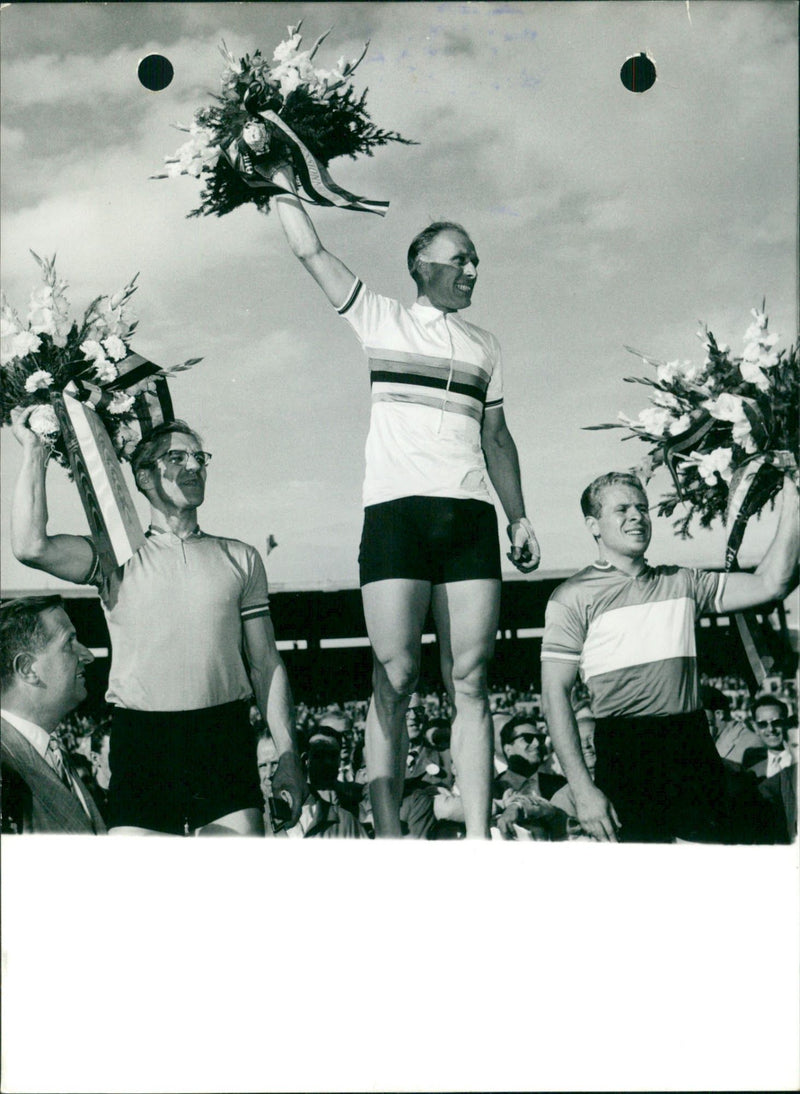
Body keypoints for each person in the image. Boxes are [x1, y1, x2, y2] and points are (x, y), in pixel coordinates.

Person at [270, 164, 541, 837]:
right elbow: (311, 252)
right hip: (395, 515)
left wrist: (519, 516)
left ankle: (478, 835)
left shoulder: (487, 346)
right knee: (395, 673)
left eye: (477, 260)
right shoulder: (381, 318)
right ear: (421, 263)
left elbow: (497, 436)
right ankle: (388, 832)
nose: (474, 270)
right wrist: (277, 179)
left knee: (470, 680)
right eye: (460, 259)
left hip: (471, 515)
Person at [10, 410, 305, 836]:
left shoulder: (242, 558)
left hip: (223, 740)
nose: (194, 467)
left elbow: (266, 663)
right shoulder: (115, 554)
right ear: (144, 478)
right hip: (143, 744)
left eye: (199, 457)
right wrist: (34, 451)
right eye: (177, 458)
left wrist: (289, 754)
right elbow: (30, 546)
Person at [541, 470, 799, 843]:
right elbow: (553, 696)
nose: (637, 516)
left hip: (691, 743)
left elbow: (771, 583)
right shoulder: (571, 596)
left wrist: (793, 488)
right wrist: (582, 790)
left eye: (642, 508)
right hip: (624, 749)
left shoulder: (683, 581)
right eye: (623, 509)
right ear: (593, 525)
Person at [1, 596, 106, 834]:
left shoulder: (53, 754)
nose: (87, 655)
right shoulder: (5, 768)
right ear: (28, 669)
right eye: (69, 643)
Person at [492, 714, 566, 839]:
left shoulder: (559, 784)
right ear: (508, 749)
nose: (537, 743)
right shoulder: (493, 791)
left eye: (540, 739)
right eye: (527, 738)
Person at [742, 696, 797, 783]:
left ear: (786, 723)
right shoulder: (753, 772)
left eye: (776, 722)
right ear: (755, 728)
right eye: (763, 724)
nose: (771, 729)